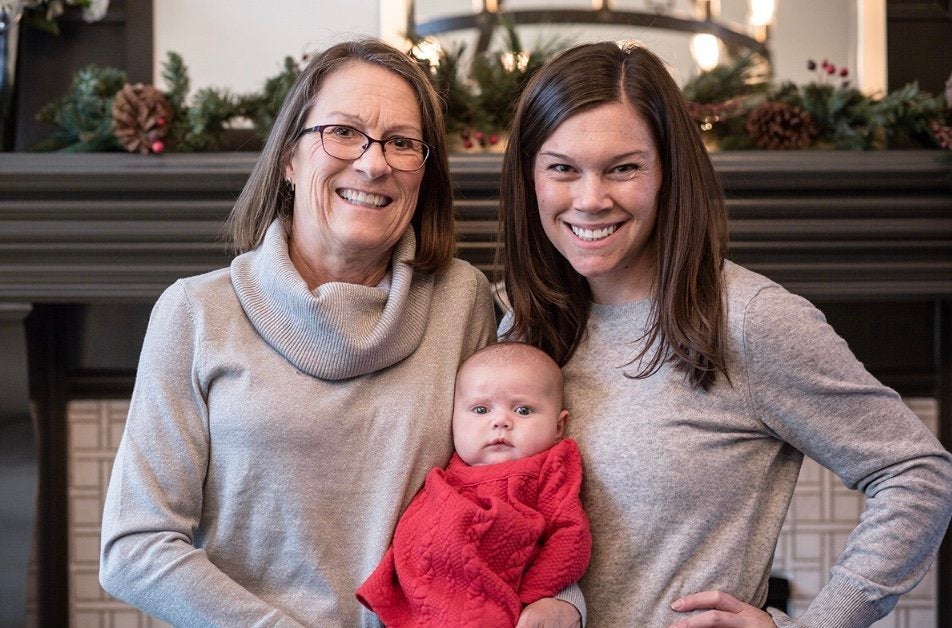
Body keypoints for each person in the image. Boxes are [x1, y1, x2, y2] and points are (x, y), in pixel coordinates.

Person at [497, 40, 952, 627]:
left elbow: (917, 473)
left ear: (667, 172)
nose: (590, 199)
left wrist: (815, 626)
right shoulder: (515, 321)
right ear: (530, 177)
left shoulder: (749, 319)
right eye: (562, 168)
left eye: (624, 168)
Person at [97, 38, 506, 627]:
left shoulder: (463, 301)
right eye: (343, 132)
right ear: (289, 158)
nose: (373, 163)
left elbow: (509, 485)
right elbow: (133, 547)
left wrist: (559, 600)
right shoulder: (195, 313)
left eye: (401, 142)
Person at [356, 342, 592, 627]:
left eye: (524, 410)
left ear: (558, 428)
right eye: (481, 410)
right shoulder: (444, 473)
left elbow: (570, 536)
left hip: (500, 605)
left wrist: (534, 597)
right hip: (423, 599)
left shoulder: (550, 468)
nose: (501, 421)